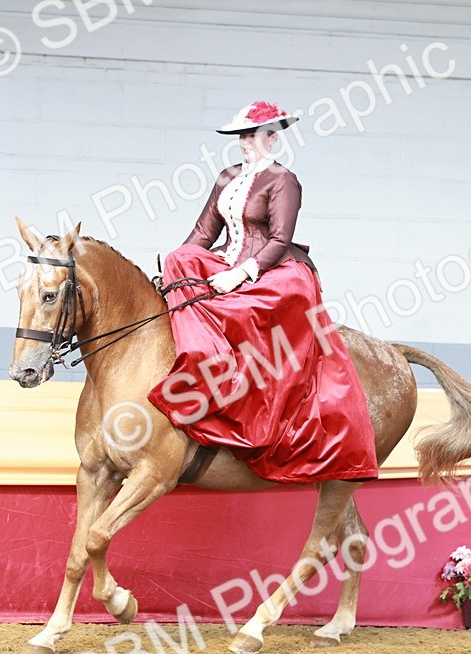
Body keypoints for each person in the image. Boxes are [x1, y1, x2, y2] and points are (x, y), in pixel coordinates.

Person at [147, 101, 378, 483]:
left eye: (252, 136)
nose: (245, 143)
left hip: (274, 270)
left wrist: (239, 275)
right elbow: (204, 234)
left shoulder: (283, 180)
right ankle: (203, 359)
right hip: (227, 261)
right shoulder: (226, 178)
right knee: (180, 257)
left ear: (272, 138)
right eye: (242, 136)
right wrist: (176, 270)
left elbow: (279, 238)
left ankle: (243, 393)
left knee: (251, 303)